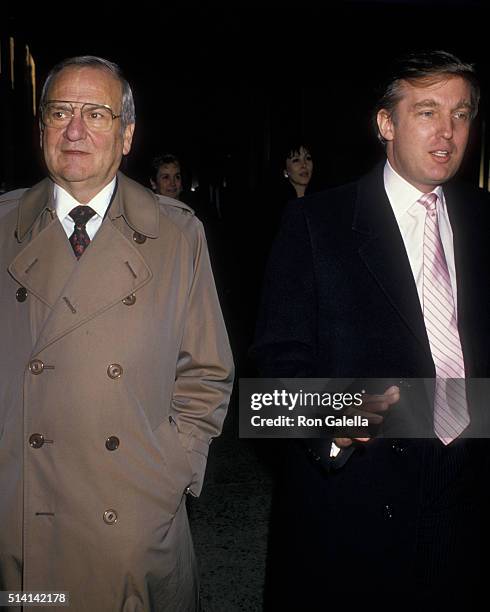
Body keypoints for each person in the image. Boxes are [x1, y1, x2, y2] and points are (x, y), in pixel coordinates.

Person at [252, 50, 490, 609]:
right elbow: (271, 375)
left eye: (461, 114)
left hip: (468, 506)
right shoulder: (317, 223)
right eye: (427, 111)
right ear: (386, 123)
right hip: (358, 508)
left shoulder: (483, 218)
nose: (447, 132)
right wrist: (333, 418)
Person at [0, 56, 234, 611]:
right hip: (23, 522)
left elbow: (206, 372)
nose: (75, 129)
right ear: (41, 130)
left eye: (97, 115)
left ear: (127, 135)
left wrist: (170, 474)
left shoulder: (177, 234)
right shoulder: (4, 226)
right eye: (60, 112)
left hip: (132, 521)